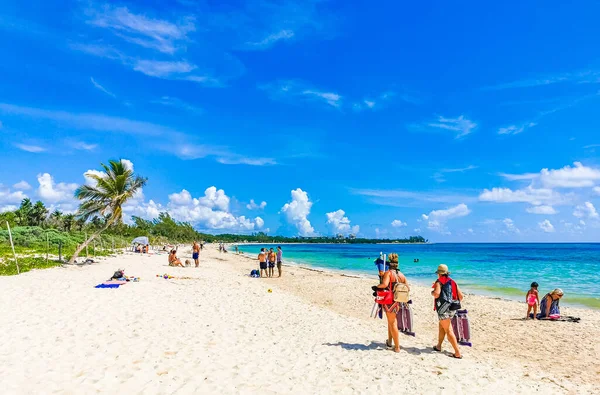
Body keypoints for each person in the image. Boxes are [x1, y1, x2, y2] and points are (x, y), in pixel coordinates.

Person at [372, 253, 408, 353]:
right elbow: (407, 287)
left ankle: (397, 347)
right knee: (391, 321)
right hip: (399, 301)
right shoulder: (401, 275)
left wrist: (377, 287)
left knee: (392, 323)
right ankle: (389, 341)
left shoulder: (388, 273)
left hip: (390, 301)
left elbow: (384, 284)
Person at [431, 264, 463, 359]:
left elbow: (436, 294)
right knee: (442, 326)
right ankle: (438, 346)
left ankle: (457, 352)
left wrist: (432, 292)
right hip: (452, 308)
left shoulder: (439, 282)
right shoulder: (453, 282)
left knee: (448, 330)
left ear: (439, 274)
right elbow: (461, 297)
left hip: (443, 309)